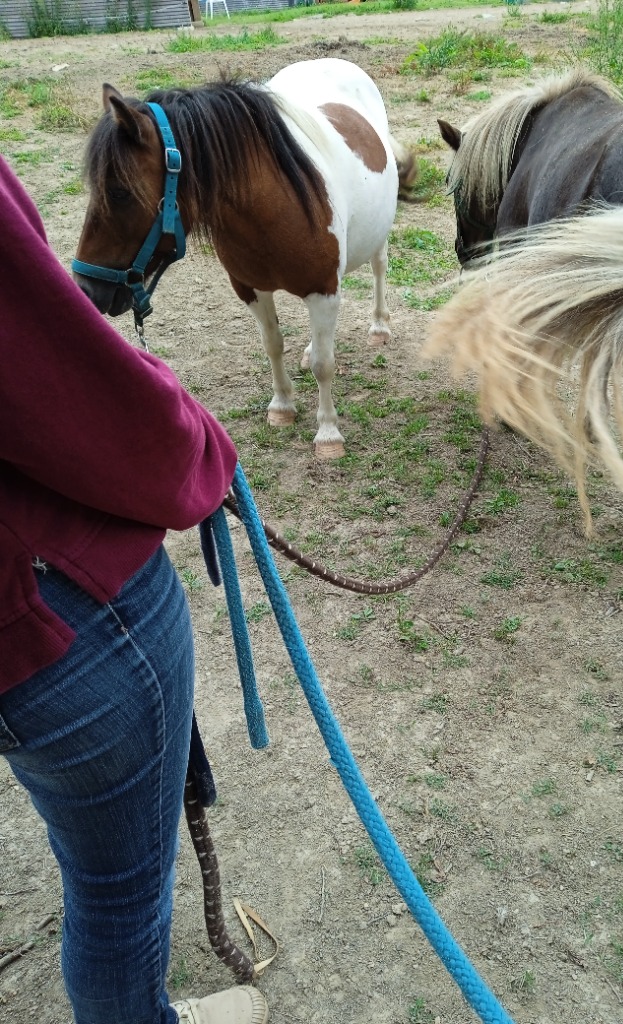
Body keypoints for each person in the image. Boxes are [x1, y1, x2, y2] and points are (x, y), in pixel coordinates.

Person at [0, 153, 267, 1024]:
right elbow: (64, 381)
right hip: (56, 608)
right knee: (117, 894)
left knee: (87, 838)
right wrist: (197, 446)